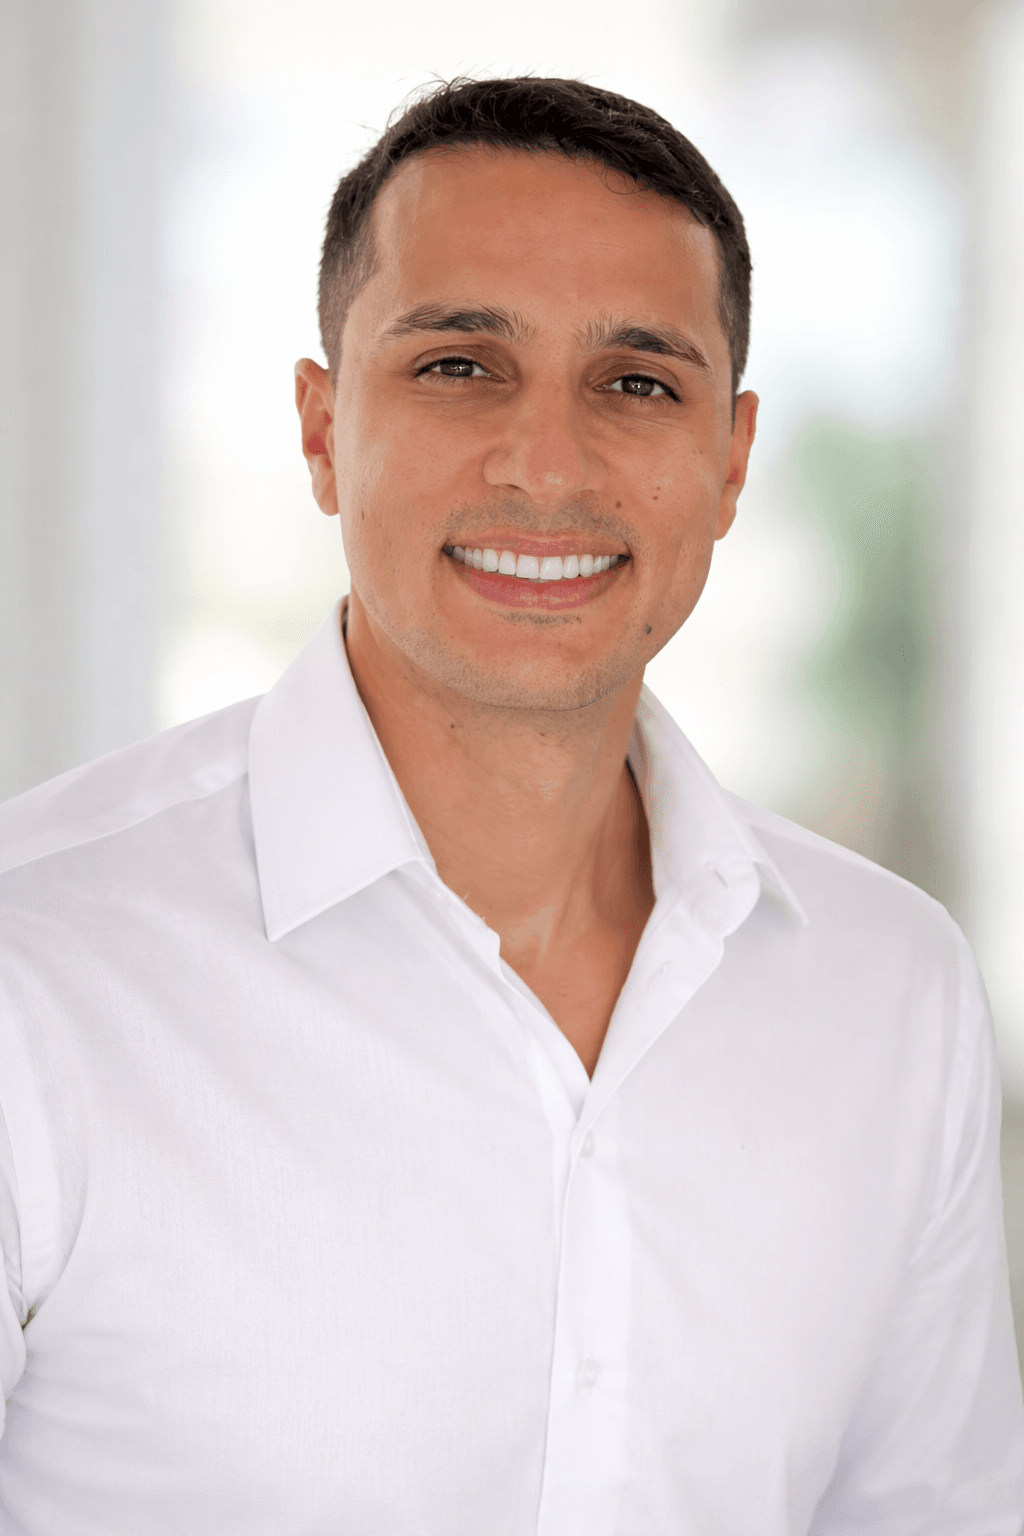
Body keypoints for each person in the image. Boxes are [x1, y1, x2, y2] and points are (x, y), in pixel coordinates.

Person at [0, 75, 1020, 1535]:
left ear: (729, 462)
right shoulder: (34, 968)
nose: (547, 463)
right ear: (319, 428)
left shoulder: (893, 994)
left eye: (636, 384)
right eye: (461, 366)